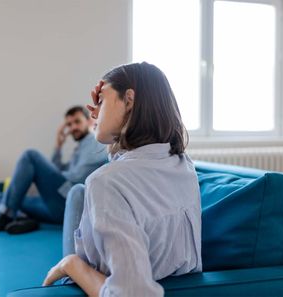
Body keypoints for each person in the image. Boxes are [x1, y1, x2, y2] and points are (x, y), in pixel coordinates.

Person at [42, 62, 202, 296]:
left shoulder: (105, 182)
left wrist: (72, 264)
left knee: (78, 192)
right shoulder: (182, 164)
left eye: (101, 101)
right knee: (77, 192)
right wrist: (111, 109)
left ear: (129, 100)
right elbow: (132, 161)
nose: (93, 113)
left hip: (96, 287)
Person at [0, 106, 108, 237]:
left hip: (71, 202)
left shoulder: (94, 142)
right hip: (60, 208)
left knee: (30, 156)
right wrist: (58, 147)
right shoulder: (80, 147)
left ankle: (5, 218)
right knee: (2, 197)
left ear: (89, 120)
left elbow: (76, 178)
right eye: (69, 124)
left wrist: (41, 180)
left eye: (77, 122)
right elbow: (58, 170)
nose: (73, 128)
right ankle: (23, 220)